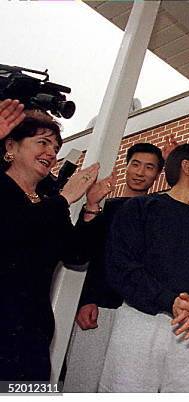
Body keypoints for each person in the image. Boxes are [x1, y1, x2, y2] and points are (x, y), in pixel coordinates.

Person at [99, 144, 189, 392]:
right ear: (187, 167)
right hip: (140, 322)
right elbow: (122, 267)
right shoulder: (139, 209)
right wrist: (169, 300)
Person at [0, 108, 111, 381]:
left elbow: (77, 254)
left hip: (33, 335)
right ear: (11, 146)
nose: (51, 152)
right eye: (42, 142)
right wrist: (65, 198)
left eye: (55, 146)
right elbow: (15, 229)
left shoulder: (47, 202)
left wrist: (92, 207)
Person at [63, 143, 164, 392]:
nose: (140, 172)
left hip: (139, 313)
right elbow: (83, 254)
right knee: (82, 379)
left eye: (149, 167)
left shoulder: (160, 213)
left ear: (158, 174)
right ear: (126, 166)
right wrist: (86, 299)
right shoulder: (104, 207)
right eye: (135, 164)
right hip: (99, 307)